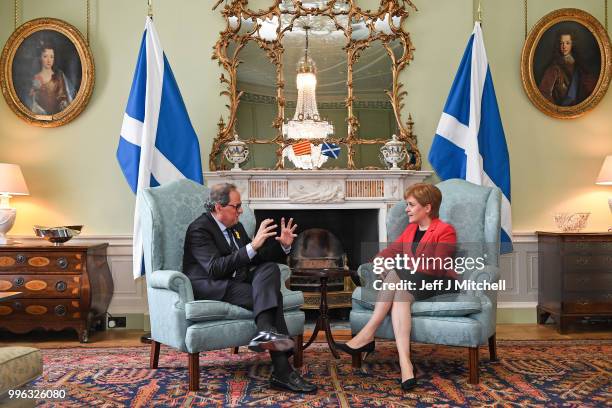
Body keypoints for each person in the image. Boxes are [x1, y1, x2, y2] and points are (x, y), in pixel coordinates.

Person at [182, 183, 317, 394]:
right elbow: (215, 268)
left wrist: (283, 246)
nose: (240, 211)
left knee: (269, 269)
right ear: (219, 207)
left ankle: (266, 333)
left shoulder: (236, 227)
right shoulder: (199, 229)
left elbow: (257, 259)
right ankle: (282, 370)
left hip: (238, 280)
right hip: (213, 285)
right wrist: (252, 246)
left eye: (240, 206)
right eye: (236, 206)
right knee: (274, 298)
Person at [337, 183, 458, 391]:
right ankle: (405, 365)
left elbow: (437, 266)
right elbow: (389, 251)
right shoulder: (410, 230)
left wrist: (400, 266)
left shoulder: (445, 231)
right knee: (400, 291)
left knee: (395, 272)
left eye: (411, 205)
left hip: (438, 282)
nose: (406, 209)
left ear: (427, 208)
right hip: (411, 283)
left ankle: (368, 333)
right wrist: (380, 261)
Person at [538, 30, 596, 106]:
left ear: (572, 44)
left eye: (567, 43)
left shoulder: (579, 65)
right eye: (561, 43)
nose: (564, 46)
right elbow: (544, 93)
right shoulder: (554, 68)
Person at [29, 42, 74, 115]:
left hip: (58, 115)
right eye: (45, 56)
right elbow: (32, 102)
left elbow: (64, 97)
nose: (49, 60)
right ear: (40, 58)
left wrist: (63, 105)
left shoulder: (59, 76)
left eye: (51, 57)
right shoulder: (35, 78)